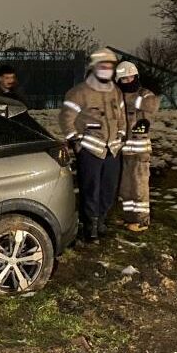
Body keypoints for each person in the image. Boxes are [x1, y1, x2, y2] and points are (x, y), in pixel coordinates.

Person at [58, 48, 127, 242]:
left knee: (109, 189)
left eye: (110, 66)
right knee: (90, 189)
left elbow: (121, 119)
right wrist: (76, 141)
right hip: (90, 149)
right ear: (94, 67)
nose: (106, 69)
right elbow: (66, 119)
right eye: (102, 66)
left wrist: (121, 136)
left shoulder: (116, 92)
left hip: (112, 150)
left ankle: (101, 219)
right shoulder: (79, 92)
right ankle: (90, 227)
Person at [116, 61, 159, 232]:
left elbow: (152, 105)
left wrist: (126, 98)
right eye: (124, 79)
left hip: (140, 152)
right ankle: (129, 218)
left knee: (139, 187)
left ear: (136, 76)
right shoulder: (119, 97)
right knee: (126, 189)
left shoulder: (145, 94)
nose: (128, 81)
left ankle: (142, 220)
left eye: (130, 77)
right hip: (124, 152)